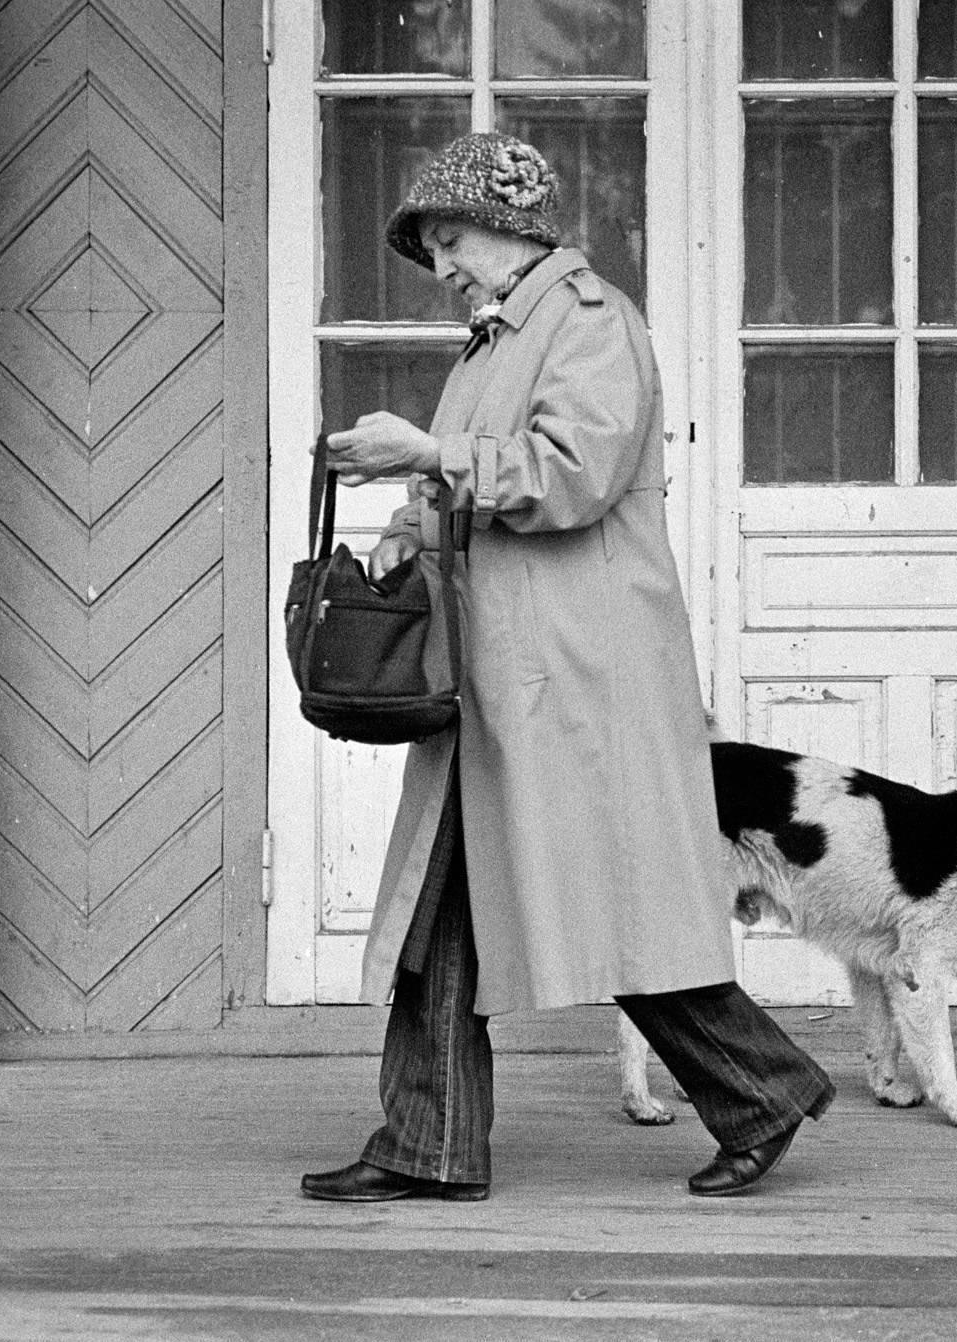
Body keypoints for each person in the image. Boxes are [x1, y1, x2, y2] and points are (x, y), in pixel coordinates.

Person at [299, 132, 835, 1203]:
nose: (442, 267)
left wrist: (429, 454)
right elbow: (474, 482)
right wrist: (411, 520)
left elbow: (571, 476)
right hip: (499, 669)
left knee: (614, 908)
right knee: (440, 906)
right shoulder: (491, 339)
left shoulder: (590, 324)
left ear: (510, 230)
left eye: (450, 240)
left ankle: (761, 1088)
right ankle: (428, 1141)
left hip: (578, 673)